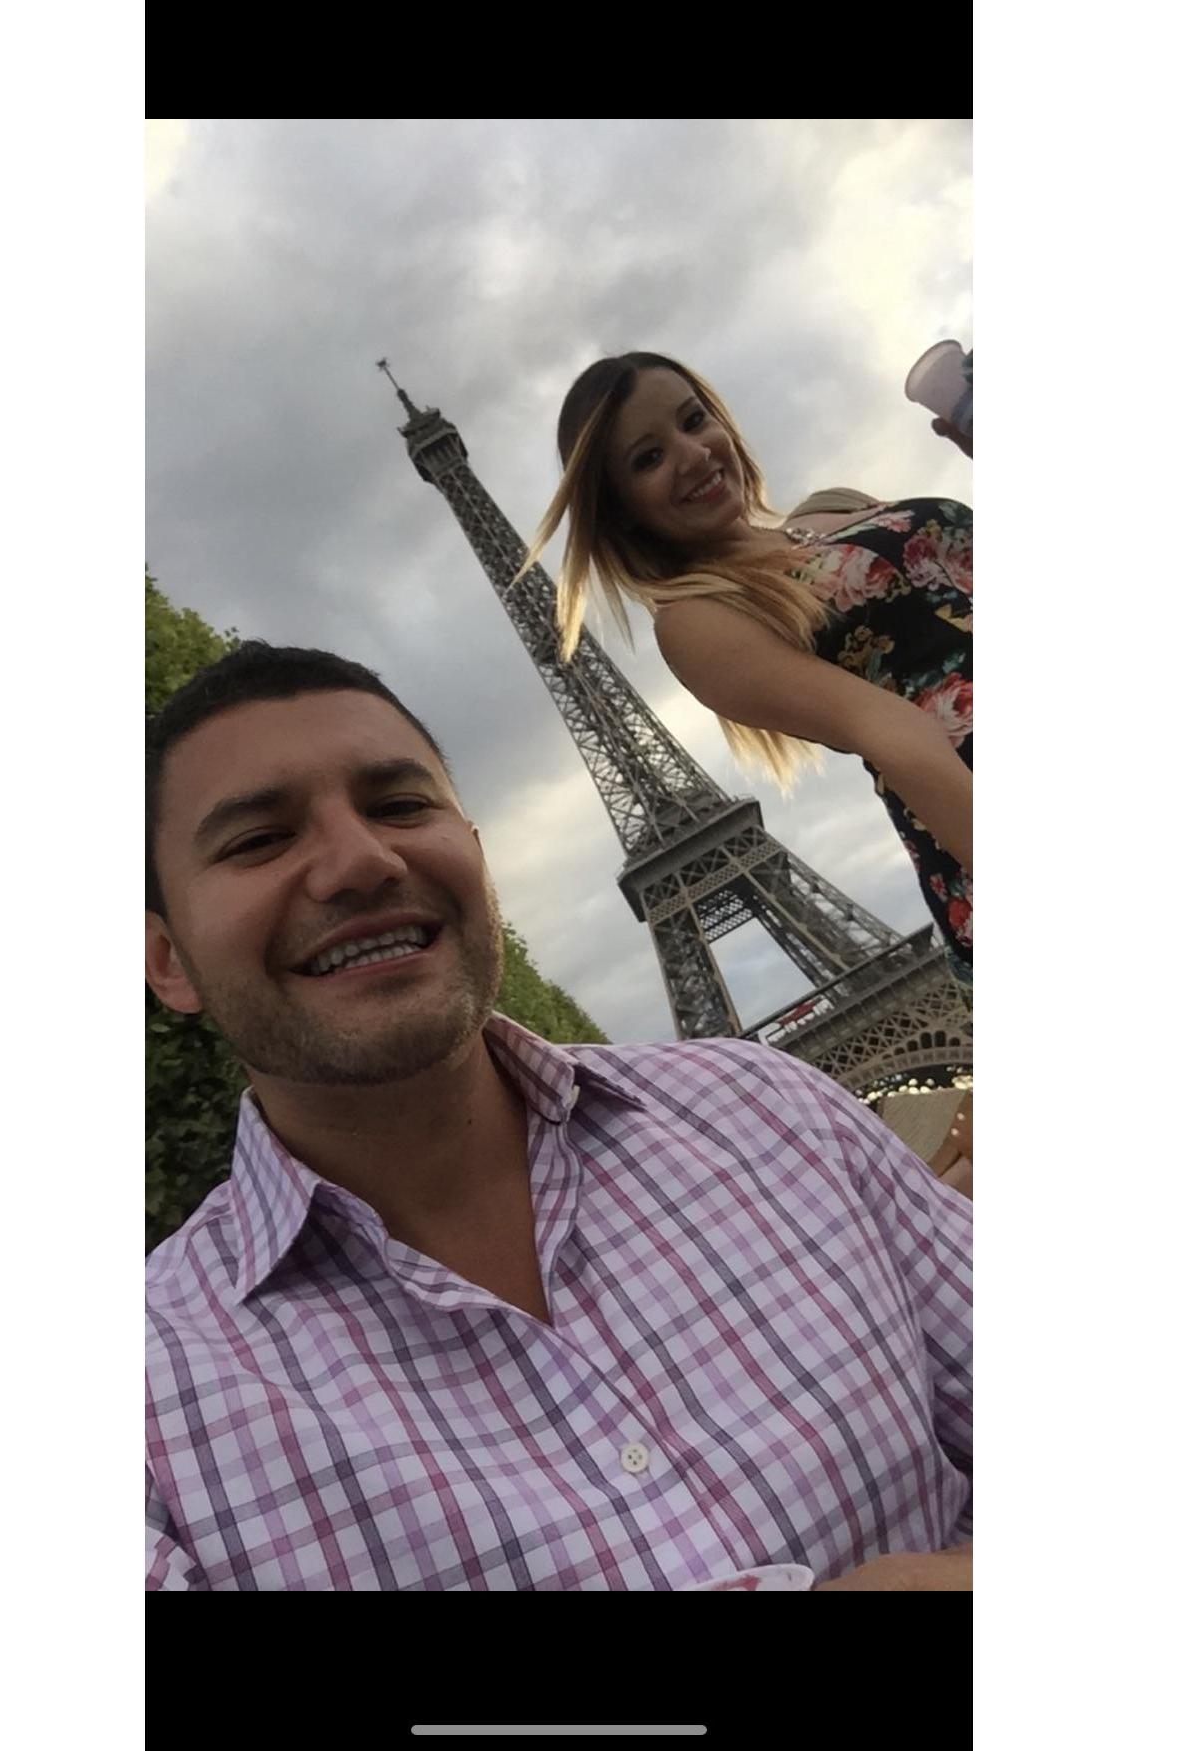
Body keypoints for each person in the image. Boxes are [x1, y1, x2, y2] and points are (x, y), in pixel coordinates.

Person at [144, 640, 972, 1591]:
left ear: (477, 853)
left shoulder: (770, 1107)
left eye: (400, 806)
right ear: (167, 961)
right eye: (258, 840)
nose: (362, 861)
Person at [521, 352, 973, 987]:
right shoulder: (700, 616)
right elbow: (895, 733)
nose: (693, 454)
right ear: (619, 509)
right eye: (648, 458)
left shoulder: (832, 505)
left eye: (693, 420)